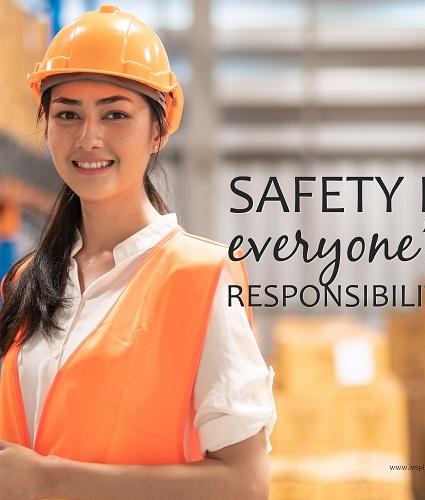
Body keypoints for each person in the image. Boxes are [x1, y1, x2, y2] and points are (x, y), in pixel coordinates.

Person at [0, 5, 276, 499]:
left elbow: (245, 485)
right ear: (46, 126)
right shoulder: (25, 284)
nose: (89, 137)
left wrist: (48, 481)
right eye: (67, 114)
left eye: (115, 113)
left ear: (159, 130)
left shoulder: (203, 277)